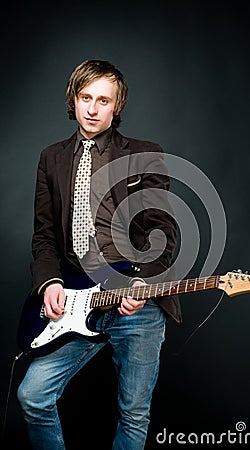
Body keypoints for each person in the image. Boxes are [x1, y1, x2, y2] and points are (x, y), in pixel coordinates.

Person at [17, 59, 182, 450]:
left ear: (117, 106)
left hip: (136, 303)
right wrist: (49, 283)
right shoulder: (51, 158)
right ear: (73, 100)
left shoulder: (146, 154)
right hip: (77, 300)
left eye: (103, 100)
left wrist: (142, 282)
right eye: (85, 97)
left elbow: (165, 231)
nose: (92, 109)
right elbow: (44, 236)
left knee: (133, 413)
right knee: (33, 395)